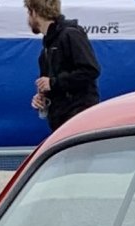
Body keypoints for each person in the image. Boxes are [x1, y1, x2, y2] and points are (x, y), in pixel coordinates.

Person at [28, 0, 100, 131]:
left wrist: (53, 83)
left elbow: (90, 70)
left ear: (34, 12)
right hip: (59, 121)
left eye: (28, 13)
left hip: (78, 118)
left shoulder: (71, 34)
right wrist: (42, 98)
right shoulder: (45, 50)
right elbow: (51, 86)